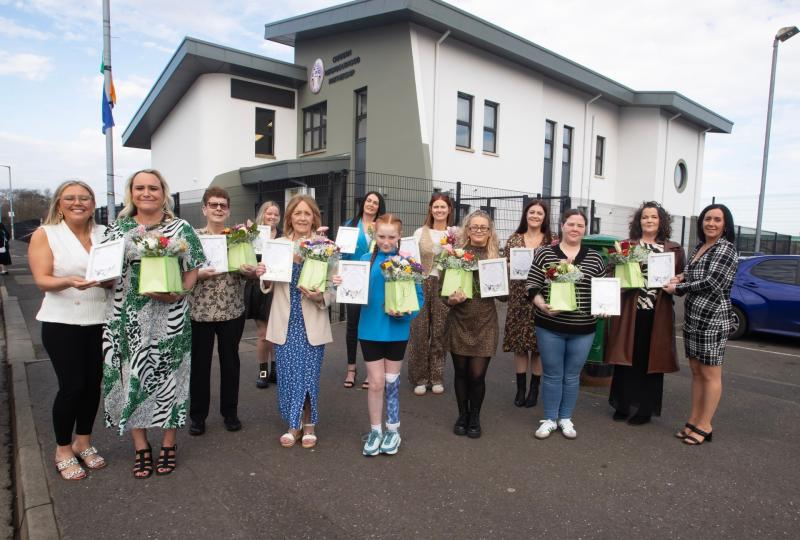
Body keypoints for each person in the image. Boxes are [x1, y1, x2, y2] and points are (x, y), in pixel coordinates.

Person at [102, 169, 205, 478]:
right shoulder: (117, 230)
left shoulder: (180, 228)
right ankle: (141, 447)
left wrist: (179, 293)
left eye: (153, 188)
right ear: (131, 193)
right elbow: (104, 270)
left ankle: (169, 443)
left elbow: (193, 268)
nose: (146, 193)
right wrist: (101, 278)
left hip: (170, 316)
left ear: (163, 193)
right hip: (126, 318)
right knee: (132, 376)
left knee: (171, 378)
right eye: (140, 188)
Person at [29, 181, 109, 480]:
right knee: (72, 386)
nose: (78, 203)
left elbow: (113, 272)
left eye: (84, 198)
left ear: (93, 203)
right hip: (62, 322)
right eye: (70, 198)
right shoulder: (46, 234)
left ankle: (83, 442)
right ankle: (63, 448)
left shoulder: (104, 234)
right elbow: (42, 279)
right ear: (59, 204)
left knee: (92, 386)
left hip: (99, 319)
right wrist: (70, 281)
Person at [334, 214, 423, 456]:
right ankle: (376, 430)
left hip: (397, 331)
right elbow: (350, 288)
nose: (386, 241)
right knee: (375, 383)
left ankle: (393, 430)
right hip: (370, 331)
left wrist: (406, 313)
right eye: (381, 236)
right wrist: (340, 282)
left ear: (399, 236)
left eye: (391, 237)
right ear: (375, 235)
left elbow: (418, 297)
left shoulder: (408, 262)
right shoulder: (364, 261)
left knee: (392, 383)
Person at [188, 187, 265, 436]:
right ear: (204, 209)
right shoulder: (193, 237)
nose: (218, 209)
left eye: (223, 205)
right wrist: (198, 274)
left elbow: (248, 272)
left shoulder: (238, 236)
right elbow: (182, 271)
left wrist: (250, 272)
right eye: (213, 204)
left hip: (232, 310)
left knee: (230, 362)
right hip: (200, 311)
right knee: (199, 365)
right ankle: (198, 416)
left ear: (229, 210)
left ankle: (230, 413)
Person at [525, 209, 606, 440]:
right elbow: (531, 286)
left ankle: (566, 418)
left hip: (583, 328)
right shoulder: (544, 253)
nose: (575, 229)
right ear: (562, 226)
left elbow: (602, 290)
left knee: (572, 375)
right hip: (549, 326)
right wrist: (542, 305)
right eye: (571, 224)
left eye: (580, 225)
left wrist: (604, 307)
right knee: (552, 374)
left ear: (585, 229)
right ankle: (550, 418)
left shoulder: (595, 258)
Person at [605, 202, 685, 425]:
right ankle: (622, 404)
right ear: (639, 221)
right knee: (625, 359)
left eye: (654, 217)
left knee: (651, 361)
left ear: (661, 221)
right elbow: (610, 274)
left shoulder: (674, 249)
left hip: (657, 314)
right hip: (629, 312)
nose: (649, 220)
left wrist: (678, 282)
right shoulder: (625, 246)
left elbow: (682, 279)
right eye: (645, 217)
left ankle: (645, 409)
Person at [664, 203, 738, 446]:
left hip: (713, 319)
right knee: (696, 371)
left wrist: (679, 288)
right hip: (694, 318)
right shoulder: (700, 247)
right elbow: (692, 273)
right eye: (707, 219)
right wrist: (680, 276)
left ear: (725, 225)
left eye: (717, 219)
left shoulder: (725, 249)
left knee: (710, 373)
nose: (711, 223)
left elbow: (713, 282)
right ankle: (693, 420)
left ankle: (705, 425)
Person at [264, 194, 334, 449]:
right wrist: (264, 275)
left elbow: (332, 286)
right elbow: (268, 283)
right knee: (288, 374)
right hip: (285, 319)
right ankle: (293, 424)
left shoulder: (325, 246)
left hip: (312, 319)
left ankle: (308, 423)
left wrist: (321, 296)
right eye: (297, 213)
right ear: (289, 218)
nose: (302, 218)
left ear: (314, 217)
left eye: (307, 213)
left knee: (308, 374)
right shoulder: (278, 245)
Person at [443, 210, 505, 439]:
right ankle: (463, 415)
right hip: (460, 321)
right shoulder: (455, 255)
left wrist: (502, 279)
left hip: (485, 323)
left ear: (490, 232)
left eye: (483, 227)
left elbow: (504, 297)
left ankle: (475, 417)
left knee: (477, 375)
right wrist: (451, 300)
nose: (479, 230)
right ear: (467, 230)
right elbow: (443, 293)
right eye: (474, 227)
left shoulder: (495, 257)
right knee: (460, 373)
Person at [503, 199, 555, 408]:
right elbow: (504, 263)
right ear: (526, 214)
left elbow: (557, 266)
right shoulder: (514, 239)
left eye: (539, 213)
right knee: (519, 345)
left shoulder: (551, 240)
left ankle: (534, 390)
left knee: (539, 347)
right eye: (532, 212)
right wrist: (508, 265)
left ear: (545, 217)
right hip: (518, 298)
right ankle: (520, 389)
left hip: (542, 297)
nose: (535, 216)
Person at [407, 193, 454, 396]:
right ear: (431, 209)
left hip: (444, 284)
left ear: (449, 210)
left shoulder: (455, 233)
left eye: (443, 207)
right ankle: (420, 378)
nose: (439, 210)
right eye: (436, 206)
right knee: (419, 330)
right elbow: (411, 259)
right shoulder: (420, 232)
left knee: (440, 331)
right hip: (422, 282)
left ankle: (436, 377)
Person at [341, 191, 386, 389]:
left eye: (375, 202)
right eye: (369, 200)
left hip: (376, 281)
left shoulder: (382, 226)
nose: (371, 204)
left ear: (379, 207)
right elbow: (341, 253)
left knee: (372, 325)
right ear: (363, 203)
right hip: (353, 281)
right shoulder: (350, 225)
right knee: (352, 325)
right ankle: (351, 369)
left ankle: (371, 370)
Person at [246, 200, 281, 388]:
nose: (272, 217)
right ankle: (262, 372)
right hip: (258, 288)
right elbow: (246, 261)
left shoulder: (284, 236)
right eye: (269, 213)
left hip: (278, 288)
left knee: (277, 333)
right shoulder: (253, 235)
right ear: (263, 214)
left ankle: (275, 371)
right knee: (263, 334)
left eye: (276, 214)